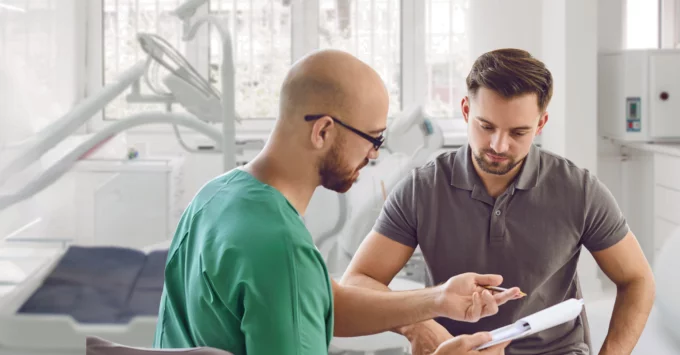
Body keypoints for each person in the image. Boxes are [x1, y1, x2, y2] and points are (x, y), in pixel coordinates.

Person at [153, 49, 522, 355]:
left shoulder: (213, 198)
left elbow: (325, 304)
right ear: (323, 130)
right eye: (374, 139)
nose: (375, 156)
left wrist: (439, 299)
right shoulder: (281, 247)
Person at [340, 48, 657, 355]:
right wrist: (416, 325)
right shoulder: (421, 189)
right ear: (466, 110)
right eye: (486, 126)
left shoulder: (580, 190)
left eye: (518, 132)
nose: (498, 145)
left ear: (540, 124)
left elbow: (637, 279)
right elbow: (358, 281)